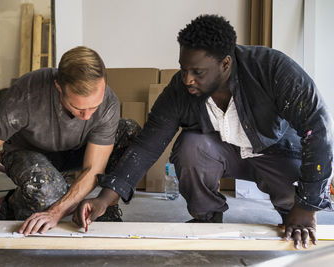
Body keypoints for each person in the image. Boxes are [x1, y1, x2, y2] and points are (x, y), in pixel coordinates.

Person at [73, 15, 333, 249]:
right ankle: (207, 217)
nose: (187, 79)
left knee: (295, 210)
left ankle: (292, 211)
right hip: (225, 155)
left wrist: (307, 206)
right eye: (183, 68)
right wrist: (105, 199)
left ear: (225, 64)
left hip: (278, 154)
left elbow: (318, 130)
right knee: (191, 146)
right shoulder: (180, 90)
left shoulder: (272, 69)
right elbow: (147, 145)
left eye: (197, 72)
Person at [0, 46, 141, 250]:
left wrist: (57, 213)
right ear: (59, 87)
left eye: (94, 107)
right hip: (27, 152)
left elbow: (93, 170)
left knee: (130, 131)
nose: (88, 116)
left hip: (75, 151)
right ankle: (13, 205)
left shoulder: (108, 102)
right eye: (78, 108)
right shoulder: (26, 95)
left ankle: (103, 207)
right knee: (48, 191)